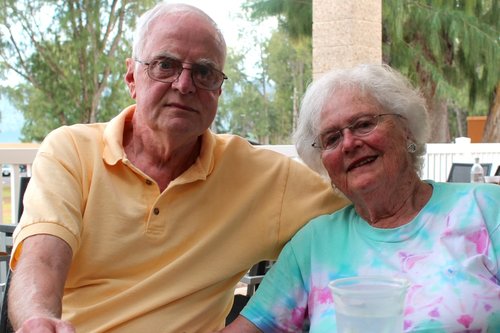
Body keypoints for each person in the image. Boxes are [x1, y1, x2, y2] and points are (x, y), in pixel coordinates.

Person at [7, 3, 348, 332]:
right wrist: (39, 319)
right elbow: (42, 258)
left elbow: (372, 206)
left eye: (204, 72)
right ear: (131, 77)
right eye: (165, 65)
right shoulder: (71, 151)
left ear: (219, 88)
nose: (184, 85)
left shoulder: (264, 177)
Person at [222, 64, 500, 332]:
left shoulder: (486, 208)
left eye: (364, 124)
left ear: (407, 131)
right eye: (331, 139)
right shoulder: (314, 244)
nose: (349, 143)